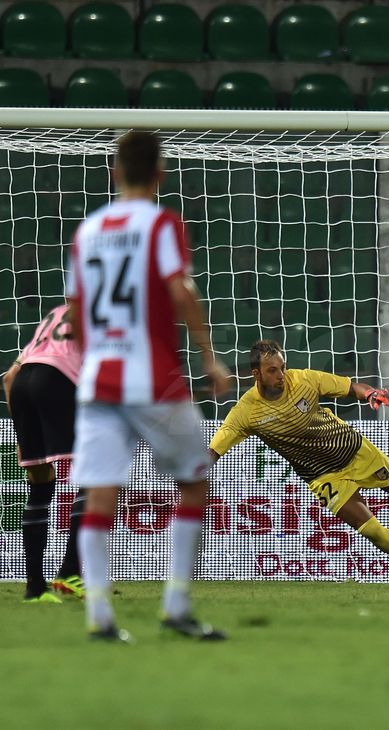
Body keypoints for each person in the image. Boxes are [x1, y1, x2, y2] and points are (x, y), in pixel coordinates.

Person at [67, 130, 232, 641]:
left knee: (100, 496)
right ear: (160, 173)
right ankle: (176, 606)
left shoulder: (88, 230)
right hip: (154, 379)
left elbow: (74, 312)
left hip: (98, 380)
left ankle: (100, 618)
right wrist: (208, 356)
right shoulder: (161, 224)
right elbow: (179, 290)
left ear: (115, 171)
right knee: (194, 481)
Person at [208, 341, 389, 583]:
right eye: (273, 370)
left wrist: (370, 394)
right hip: (322, 475)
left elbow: (351, 387)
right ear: (257, 373)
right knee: (369, 529)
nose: (281, 375)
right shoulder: (246, 413)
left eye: (283, 367)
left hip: (351, 450)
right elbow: (214, 449)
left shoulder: (305, 380)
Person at [3, 304, 86, 603]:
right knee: (95, 474)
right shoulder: (105, 308)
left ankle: (35, 589)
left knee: (40, 485)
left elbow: (9, 377)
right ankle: (69, 575)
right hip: (58, 380)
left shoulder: (57, 312)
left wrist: (22, 435)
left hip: (23, 383)